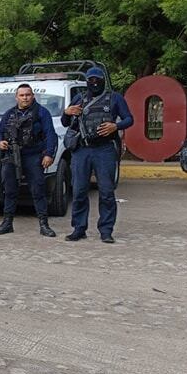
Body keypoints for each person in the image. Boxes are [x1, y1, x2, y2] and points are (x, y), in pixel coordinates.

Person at [62, 67, 134, 243]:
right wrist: (67, 112)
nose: (93, 83)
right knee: (79, 191)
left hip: (104, 150)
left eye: (97, 80)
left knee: (106, 192)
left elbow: (129, 119)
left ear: (103, 80)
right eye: (90, 80)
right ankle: (79, 228)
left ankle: (106, 230)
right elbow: (66, 123)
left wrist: (115, 126)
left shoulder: (114, 98)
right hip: (82, 150)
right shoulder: (80, 98)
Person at [0, 84, 58, 237]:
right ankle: (7, 223)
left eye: (28, 94)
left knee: (38, 190)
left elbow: (50, 135)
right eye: (22, 95)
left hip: (33, 155)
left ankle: (44, 225)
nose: (25, 98)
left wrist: (49, 154)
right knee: (9, 191)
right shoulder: (9, 113)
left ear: (33, 96)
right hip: (11, 155)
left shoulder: (42, 112)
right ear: (17, 97)